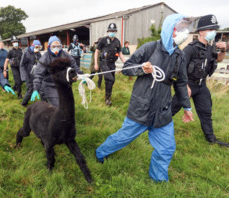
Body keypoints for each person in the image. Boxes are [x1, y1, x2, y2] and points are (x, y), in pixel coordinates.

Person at [95, 14, 194, 182]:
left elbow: (181, 82)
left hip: (162, 111)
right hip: (141, 108)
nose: (184, 33)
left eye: (186, 29)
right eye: (181, 29)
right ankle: (100, 153)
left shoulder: (180, 55)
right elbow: (126, 68)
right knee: (122, 138)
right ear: (170, 30)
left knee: (167, 148)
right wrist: (142, 69)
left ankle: (159, 179)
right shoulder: (149, 48)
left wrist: (187, 107)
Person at [171, 14, 229, 147]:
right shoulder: (191, 48)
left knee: (206, 112)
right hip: (188, 84)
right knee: (173, 108)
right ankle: (156, 126)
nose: (213, 32)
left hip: (202, 86)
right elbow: (180, 67)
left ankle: (211, 139)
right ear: (201, 32)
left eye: (214, 29)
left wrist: (223, 50)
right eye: (210, 29)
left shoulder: (210, 47)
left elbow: (219, 59)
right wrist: (184, 85)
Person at [31, 36, 83, 107]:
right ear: (49, 46)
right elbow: (38, 75)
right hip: (50, 85)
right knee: (57, 105)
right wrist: (35, 88)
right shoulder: (45, 58)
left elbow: (74, 65)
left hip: (63, 84)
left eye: (58, 46)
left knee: (67, 103)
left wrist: (82, 75)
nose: (56, 48)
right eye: (53, 46)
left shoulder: (65, 55)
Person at [94, 23, 126, 105]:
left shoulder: (117, 41)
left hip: (112, 64)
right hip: (104, 63)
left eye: (113, 31)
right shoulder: (103, 40)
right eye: (110, 30)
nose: (112, 32)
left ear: (116, 32)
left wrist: (125, 62)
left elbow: (120, 53)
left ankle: (108, 97)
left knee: (112, 81)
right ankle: (107, 100)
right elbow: (97, 51)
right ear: (108, 31)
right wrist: (96, 64)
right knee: (109, 79)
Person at [20, 40, 42, 106]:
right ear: (33, 46)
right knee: (30, 89)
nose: (37, 49)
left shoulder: (38, 54)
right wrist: (24, 76)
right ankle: (24, 103)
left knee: (39, 87)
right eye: (36, 47)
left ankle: (42, 103)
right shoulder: (26, 53)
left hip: (36, 74)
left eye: (39, 47)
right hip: (28, 74)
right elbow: (22, 65)